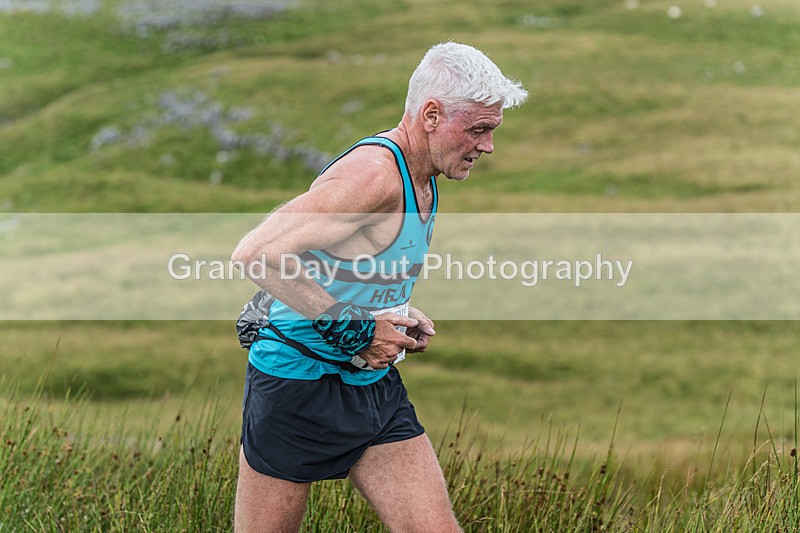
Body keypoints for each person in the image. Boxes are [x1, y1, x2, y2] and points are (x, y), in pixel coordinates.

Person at [231, 41, 527, 532]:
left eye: (492, 130)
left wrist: (394, 310)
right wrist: (359, 332)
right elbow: (256, 254)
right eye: (478, 129)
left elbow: (352, 264)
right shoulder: (373, 177)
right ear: (431, 114)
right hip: (296, 387)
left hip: (373, 387)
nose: (488, 145)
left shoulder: (423, 175)